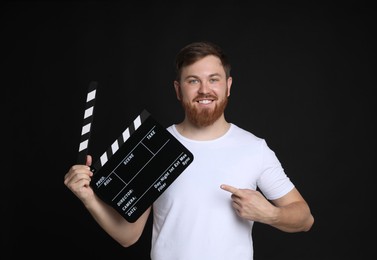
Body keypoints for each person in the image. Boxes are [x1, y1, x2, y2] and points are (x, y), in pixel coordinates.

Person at [64, 41, 314, 259]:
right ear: (178, 89)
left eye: (213, 79)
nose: (204, 90)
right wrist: (89, 199)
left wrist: (270, 214)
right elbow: (128, 235)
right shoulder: (153, 146)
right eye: (193, 80)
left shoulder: (254, 149)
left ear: (228, 86)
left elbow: (304, 218)